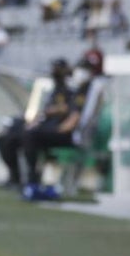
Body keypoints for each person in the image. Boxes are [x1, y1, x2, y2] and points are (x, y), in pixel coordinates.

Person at [0, 58, 77, 193]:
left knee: (30, 134)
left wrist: (54, 113)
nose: (54, 72)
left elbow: (71, 113)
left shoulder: (72, 91)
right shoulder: (52, 90)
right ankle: (15, 178)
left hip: (58, 132)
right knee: (7, 136)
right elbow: (42, 113)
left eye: (57, 69)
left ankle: (32, 178)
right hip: (44, 126)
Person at [20, 60, 92, 200]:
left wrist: (58, 128)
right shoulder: (64, 88)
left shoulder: (83, 91)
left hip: (69, 135)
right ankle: (34, 182)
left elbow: (74, 117)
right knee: (26, 133)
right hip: (56, 129)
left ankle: (33, 182)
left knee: (31, 135)